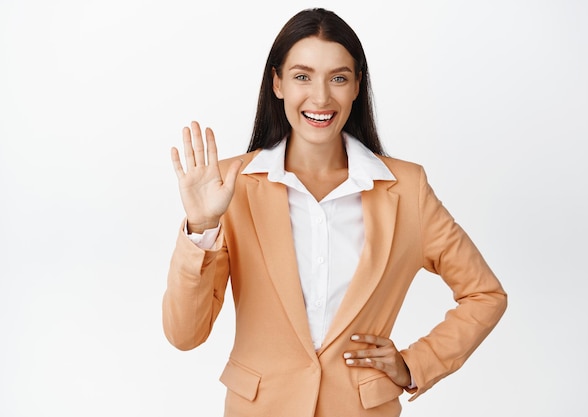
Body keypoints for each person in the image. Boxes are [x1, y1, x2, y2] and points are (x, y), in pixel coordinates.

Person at [163, 8, 507, 417]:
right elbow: (185, 335)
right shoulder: (230, 186)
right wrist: (202, 227)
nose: (321, 97)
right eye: (302, 76)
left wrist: (415, 364)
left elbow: (485, 295)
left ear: (357, 85)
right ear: (277, 83)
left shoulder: (406, 190)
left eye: (338, 78)